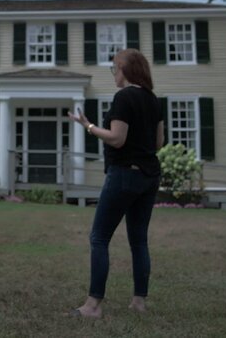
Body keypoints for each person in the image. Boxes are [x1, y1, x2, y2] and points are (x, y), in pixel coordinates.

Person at [68, 48, 164, 318]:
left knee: (99, 237)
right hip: (149, 177)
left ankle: (93, 305)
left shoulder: (124, 97)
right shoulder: (153, 100)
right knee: (138, 240)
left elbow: (117, 138)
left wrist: (87, 126)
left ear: (126, 70)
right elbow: (158, 143)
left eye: (115, 68)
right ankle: (139, 302)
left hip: (124, 175)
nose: (113, 73)